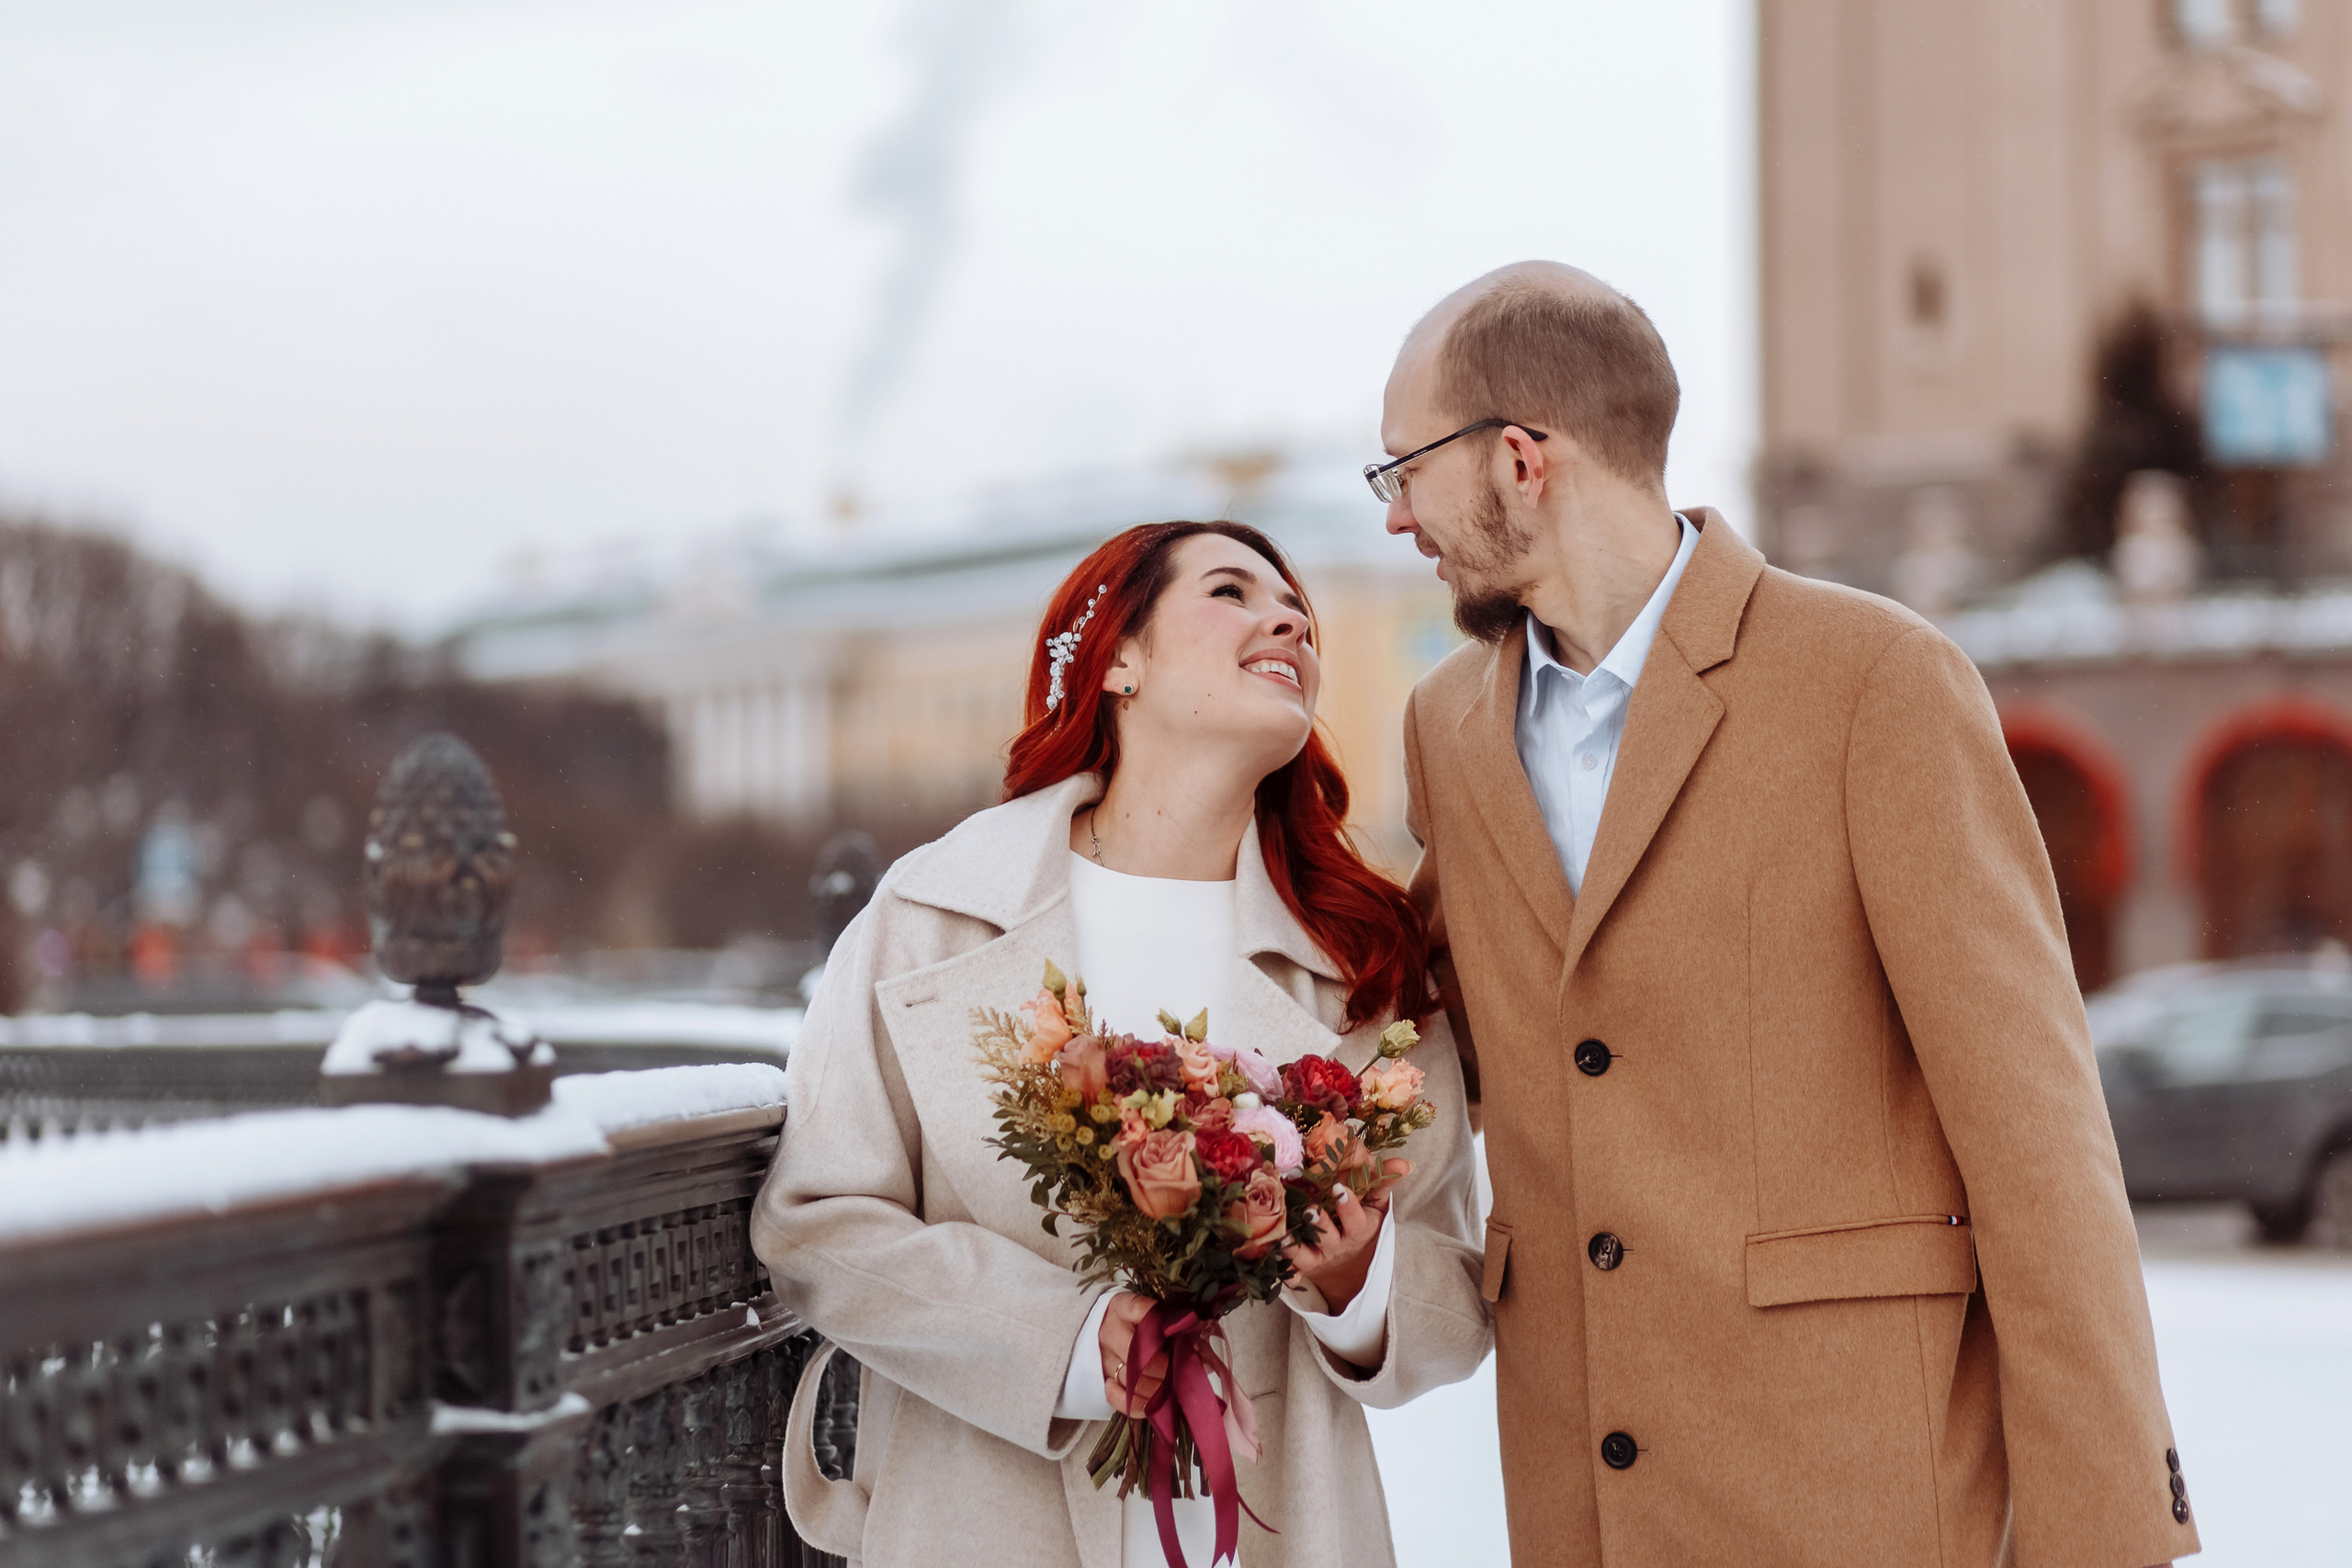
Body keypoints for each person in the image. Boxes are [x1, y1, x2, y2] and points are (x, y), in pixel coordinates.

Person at [1377, 263, 2196, 1567]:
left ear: (1521, 460)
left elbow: (2038, 1143)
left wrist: (2107, 1535)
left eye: (1404, 470)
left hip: (1861, 1491)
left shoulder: (1874, 679)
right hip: (1583, 1500)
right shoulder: (1447, 728)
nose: (1395, 517)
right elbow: (1415, 1020)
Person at [752, 520, 1491, 1568]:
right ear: (1119, 661)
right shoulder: (931, 916)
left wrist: (1358, 1279)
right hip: (983, 1519)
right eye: (1231, 592)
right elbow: (816, 1225)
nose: (1288, 621)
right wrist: (1059, 1338)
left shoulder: (1364, 963)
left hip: (1278, 1527)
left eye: (1299, 612)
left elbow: (1456, 1299)